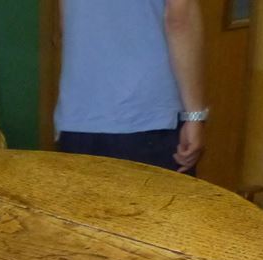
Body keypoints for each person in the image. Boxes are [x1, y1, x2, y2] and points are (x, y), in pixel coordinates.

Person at [54, 0, 208, 173]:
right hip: (149, 118)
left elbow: (65, 22)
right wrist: (195, 114)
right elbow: (180, 18)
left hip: (77, 119)